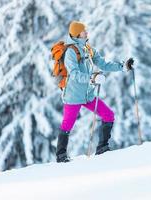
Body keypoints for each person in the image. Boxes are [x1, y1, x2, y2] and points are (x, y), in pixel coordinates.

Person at [56, 21, 134, 163]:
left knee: (108, 115)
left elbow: (103, 64)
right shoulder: (70, 52)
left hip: (88, 95)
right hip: (73, 96)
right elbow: (73, 74)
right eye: (84, 30)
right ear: (77, 33)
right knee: (67, 125)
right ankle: (61, 156)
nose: (87, 32)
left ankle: (102, 148)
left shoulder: (88, 49)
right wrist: (92, 78)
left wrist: (123, 67)